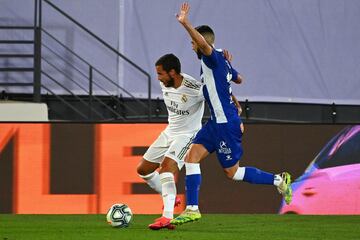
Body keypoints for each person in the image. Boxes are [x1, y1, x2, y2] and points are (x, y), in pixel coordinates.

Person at [171, 2, 292, 225]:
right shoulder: (220, 60)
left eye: (193, 43)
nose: (191, 47)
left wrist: (185, 22)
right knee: (192, 157)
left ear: (202, 43)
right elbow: (238, 80)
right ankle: (192, 208)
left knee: (233, 173)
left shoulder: (212, 57)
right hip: (216, 122)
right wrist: (232, 92)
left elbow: (204, 46)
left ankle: (279, 180)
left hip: (226, 125)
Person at [136, 53, 205, 230]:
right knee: (143, 169)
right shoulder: (164, 83)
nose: (158, 78)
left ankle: (167, 217)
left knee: (166, 169)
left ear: (172, 72)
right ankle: (172, 198)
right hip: (169, 132)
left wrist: (235, 106)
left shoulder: (195, 89)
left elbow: (218, 94)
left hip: (188, 135)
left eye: (160, 74)